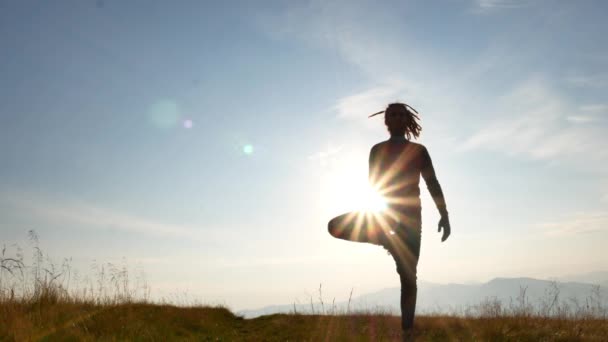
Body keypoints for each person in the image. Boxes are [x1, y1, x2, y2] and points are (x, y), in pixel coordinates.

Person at [327, 102, 451, 338]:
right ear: (386, 121)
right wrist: (375, 218)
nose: (396, 117)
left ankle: (407, 332)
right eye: (391, 114)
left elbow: (432, 183)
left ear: (406, 120)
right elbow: (373, 186)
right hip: (385, 217)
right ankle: (385, 239)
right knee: (334, 226)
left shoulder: (419, 151)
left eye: (400, 114)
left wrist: (444, 214)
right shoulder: (376, 150)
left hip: (412, 222)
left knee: (409, 279)